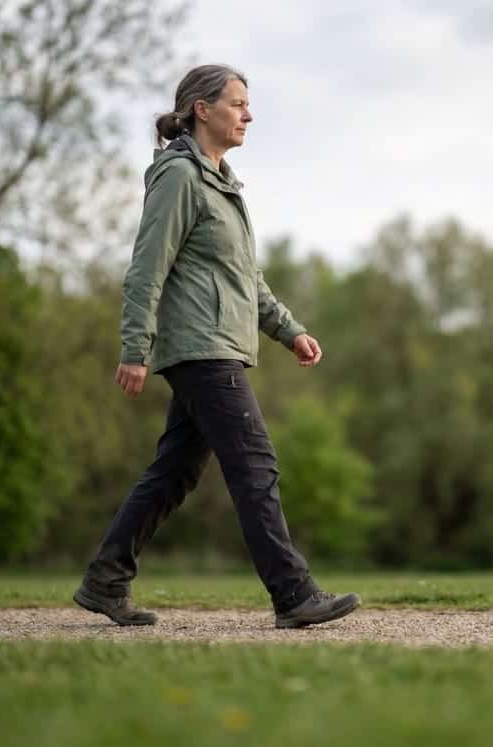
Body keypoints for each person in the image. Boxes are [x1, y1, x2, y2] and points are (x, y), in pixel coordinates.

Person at [73, 64, 361, 629]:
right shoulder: (179, 177)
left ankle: (105, 580)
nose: (248, 115)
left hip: (218, 345)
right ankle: (293, 594)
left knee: (174, 473)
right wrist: (135, 346)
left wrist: (290, 330)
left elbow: (245, 278)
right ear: (202, 110)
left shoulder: (221, 183)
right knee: (254, 465)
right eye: (237, 104)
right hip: (201, 349)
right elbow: (144, 270)